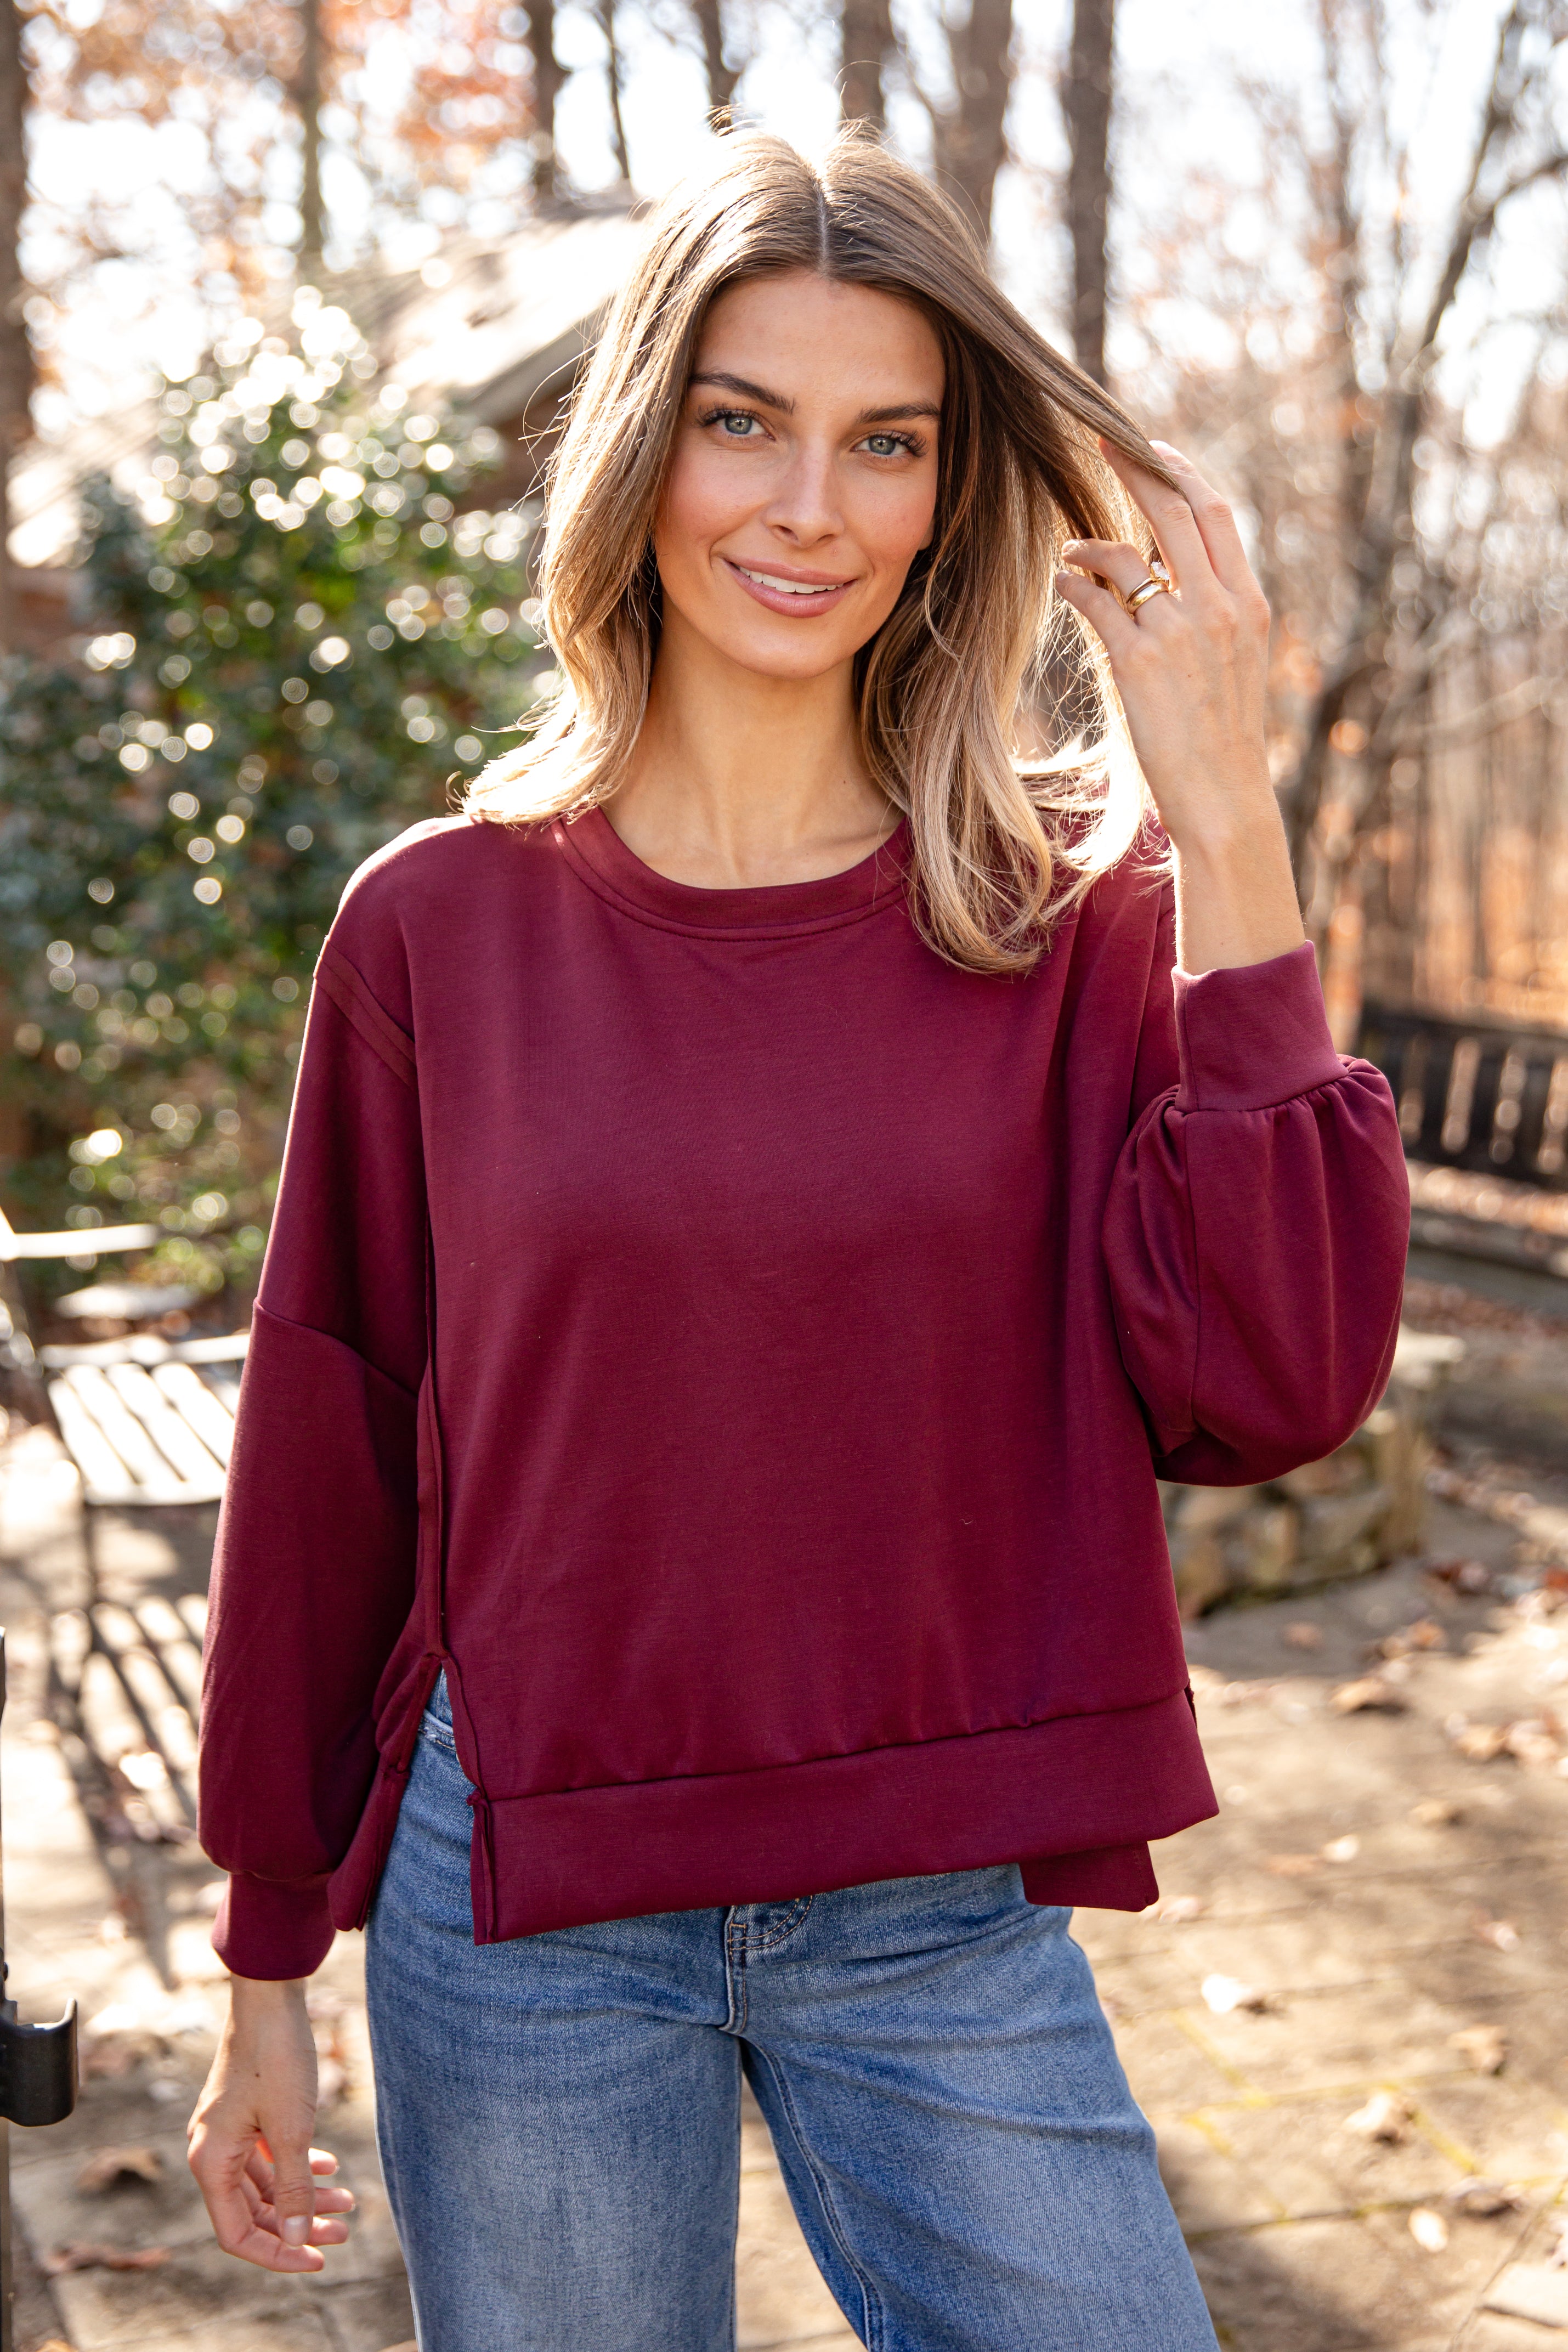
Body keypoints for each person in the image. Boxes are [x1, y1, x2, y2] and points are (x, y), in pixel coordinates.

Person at [188, 131, 1409, 2351]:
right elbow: (331, 1431)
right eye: (744, 420)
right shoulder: (435, 931)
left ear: (955, 500)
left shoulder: (1060, 927)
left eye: (887, 444)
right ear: (646, 447)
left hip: (935, 1910)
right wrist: (270, 1954)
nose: (805, 508)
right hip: (525, 1897)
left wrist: (1220, 818)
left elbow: (1275, 1385)